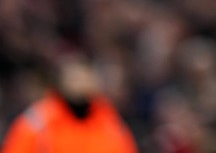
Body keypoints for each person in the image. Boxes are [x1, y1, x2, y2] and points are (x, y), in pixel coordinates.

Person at [0, 52, 138, 153]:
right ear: (61, 82)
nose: (80, 85)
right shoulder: (38, 123)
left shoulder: (111, 125)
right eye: (74, 79)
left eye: (84, 78)